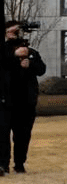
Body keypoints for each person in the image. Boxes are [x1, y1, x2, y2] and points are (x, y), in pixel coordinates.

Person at [3, 37, 45, 173]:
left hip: (26, 103)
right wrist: (15, 58)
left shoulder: (32, 54)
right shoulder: (5, 56)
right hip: (6, 102)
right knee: (3, 135)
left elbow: (41, 69)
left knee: (23, 136)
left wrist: (30, 64)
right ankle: (3, 164)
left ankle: (19, 163)